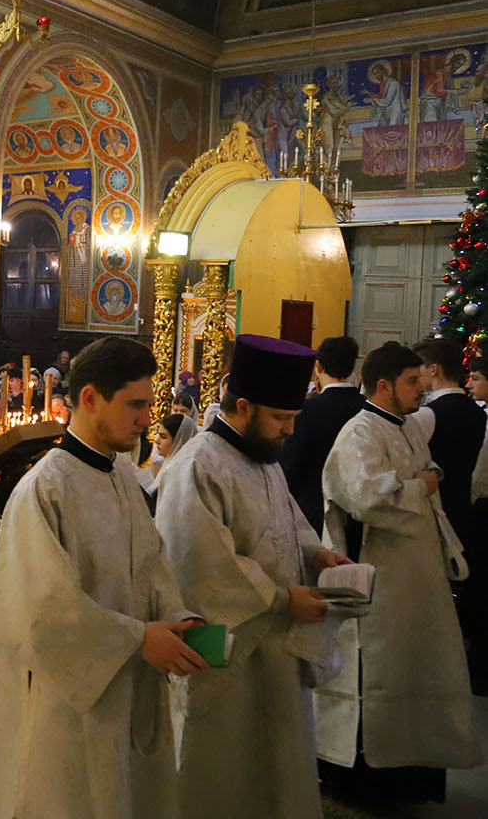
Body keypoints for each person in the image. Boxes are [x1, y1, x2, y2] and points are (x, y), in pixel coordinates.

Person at [0, 337, 203, 819]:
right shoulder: (45, 488)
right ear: (90, 397)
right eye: (134, 405)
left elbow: (150, 564)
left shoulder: (121, 476)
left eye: (148, 405)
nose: (146, 419)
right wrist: (138, 639)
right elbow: (41, 611)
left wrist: (177, 617)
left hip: (125, 686)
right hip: (66, 702)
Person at [155, 334, 351, 819]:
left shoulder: (262, 458)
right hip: (225, 653)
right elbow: (199, 565)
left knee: (274, 770)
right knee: (221, 770)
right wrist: (284, 599)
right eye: (281, 418)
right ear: (243, 406)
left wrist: (317, 554)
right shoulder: (197, 465)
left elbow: (287, 524)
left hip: (274, 654)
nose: (289, 429)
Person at [315, 341, 483, 804]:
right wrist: (421, 486)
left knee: (419, 665)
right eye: (412, 382)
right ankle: (371, 787)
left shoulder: (407, 426)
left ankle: (414, 776)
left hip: (416, 575)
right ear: (384, 386)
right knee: (383, 672)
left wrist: (426, 479)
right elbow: (368, 499)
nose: (421, 388)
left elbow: (428, 472)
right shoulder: (359, 433)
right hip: (382, 578)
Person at [413, 336, 487, 686]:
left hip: (432, 507)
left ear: (432, 369)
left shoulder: (428, 414)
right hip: (463, 505)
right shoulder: (477, 411)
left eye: (418, 370)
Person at [281, 336, 363, 533]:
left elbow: (291, 467)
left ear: (318, 366)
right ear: (352, 367)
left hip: (314, 512)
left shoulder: (306, 411)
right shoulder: (366, 407)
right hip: (358, 512)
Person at [148, 412, 196, 495]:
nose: (156, 441)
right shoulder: (170, 464)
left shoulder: (180, 474)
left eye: (163, 437)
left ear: (179, 441)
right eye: (158, 434)